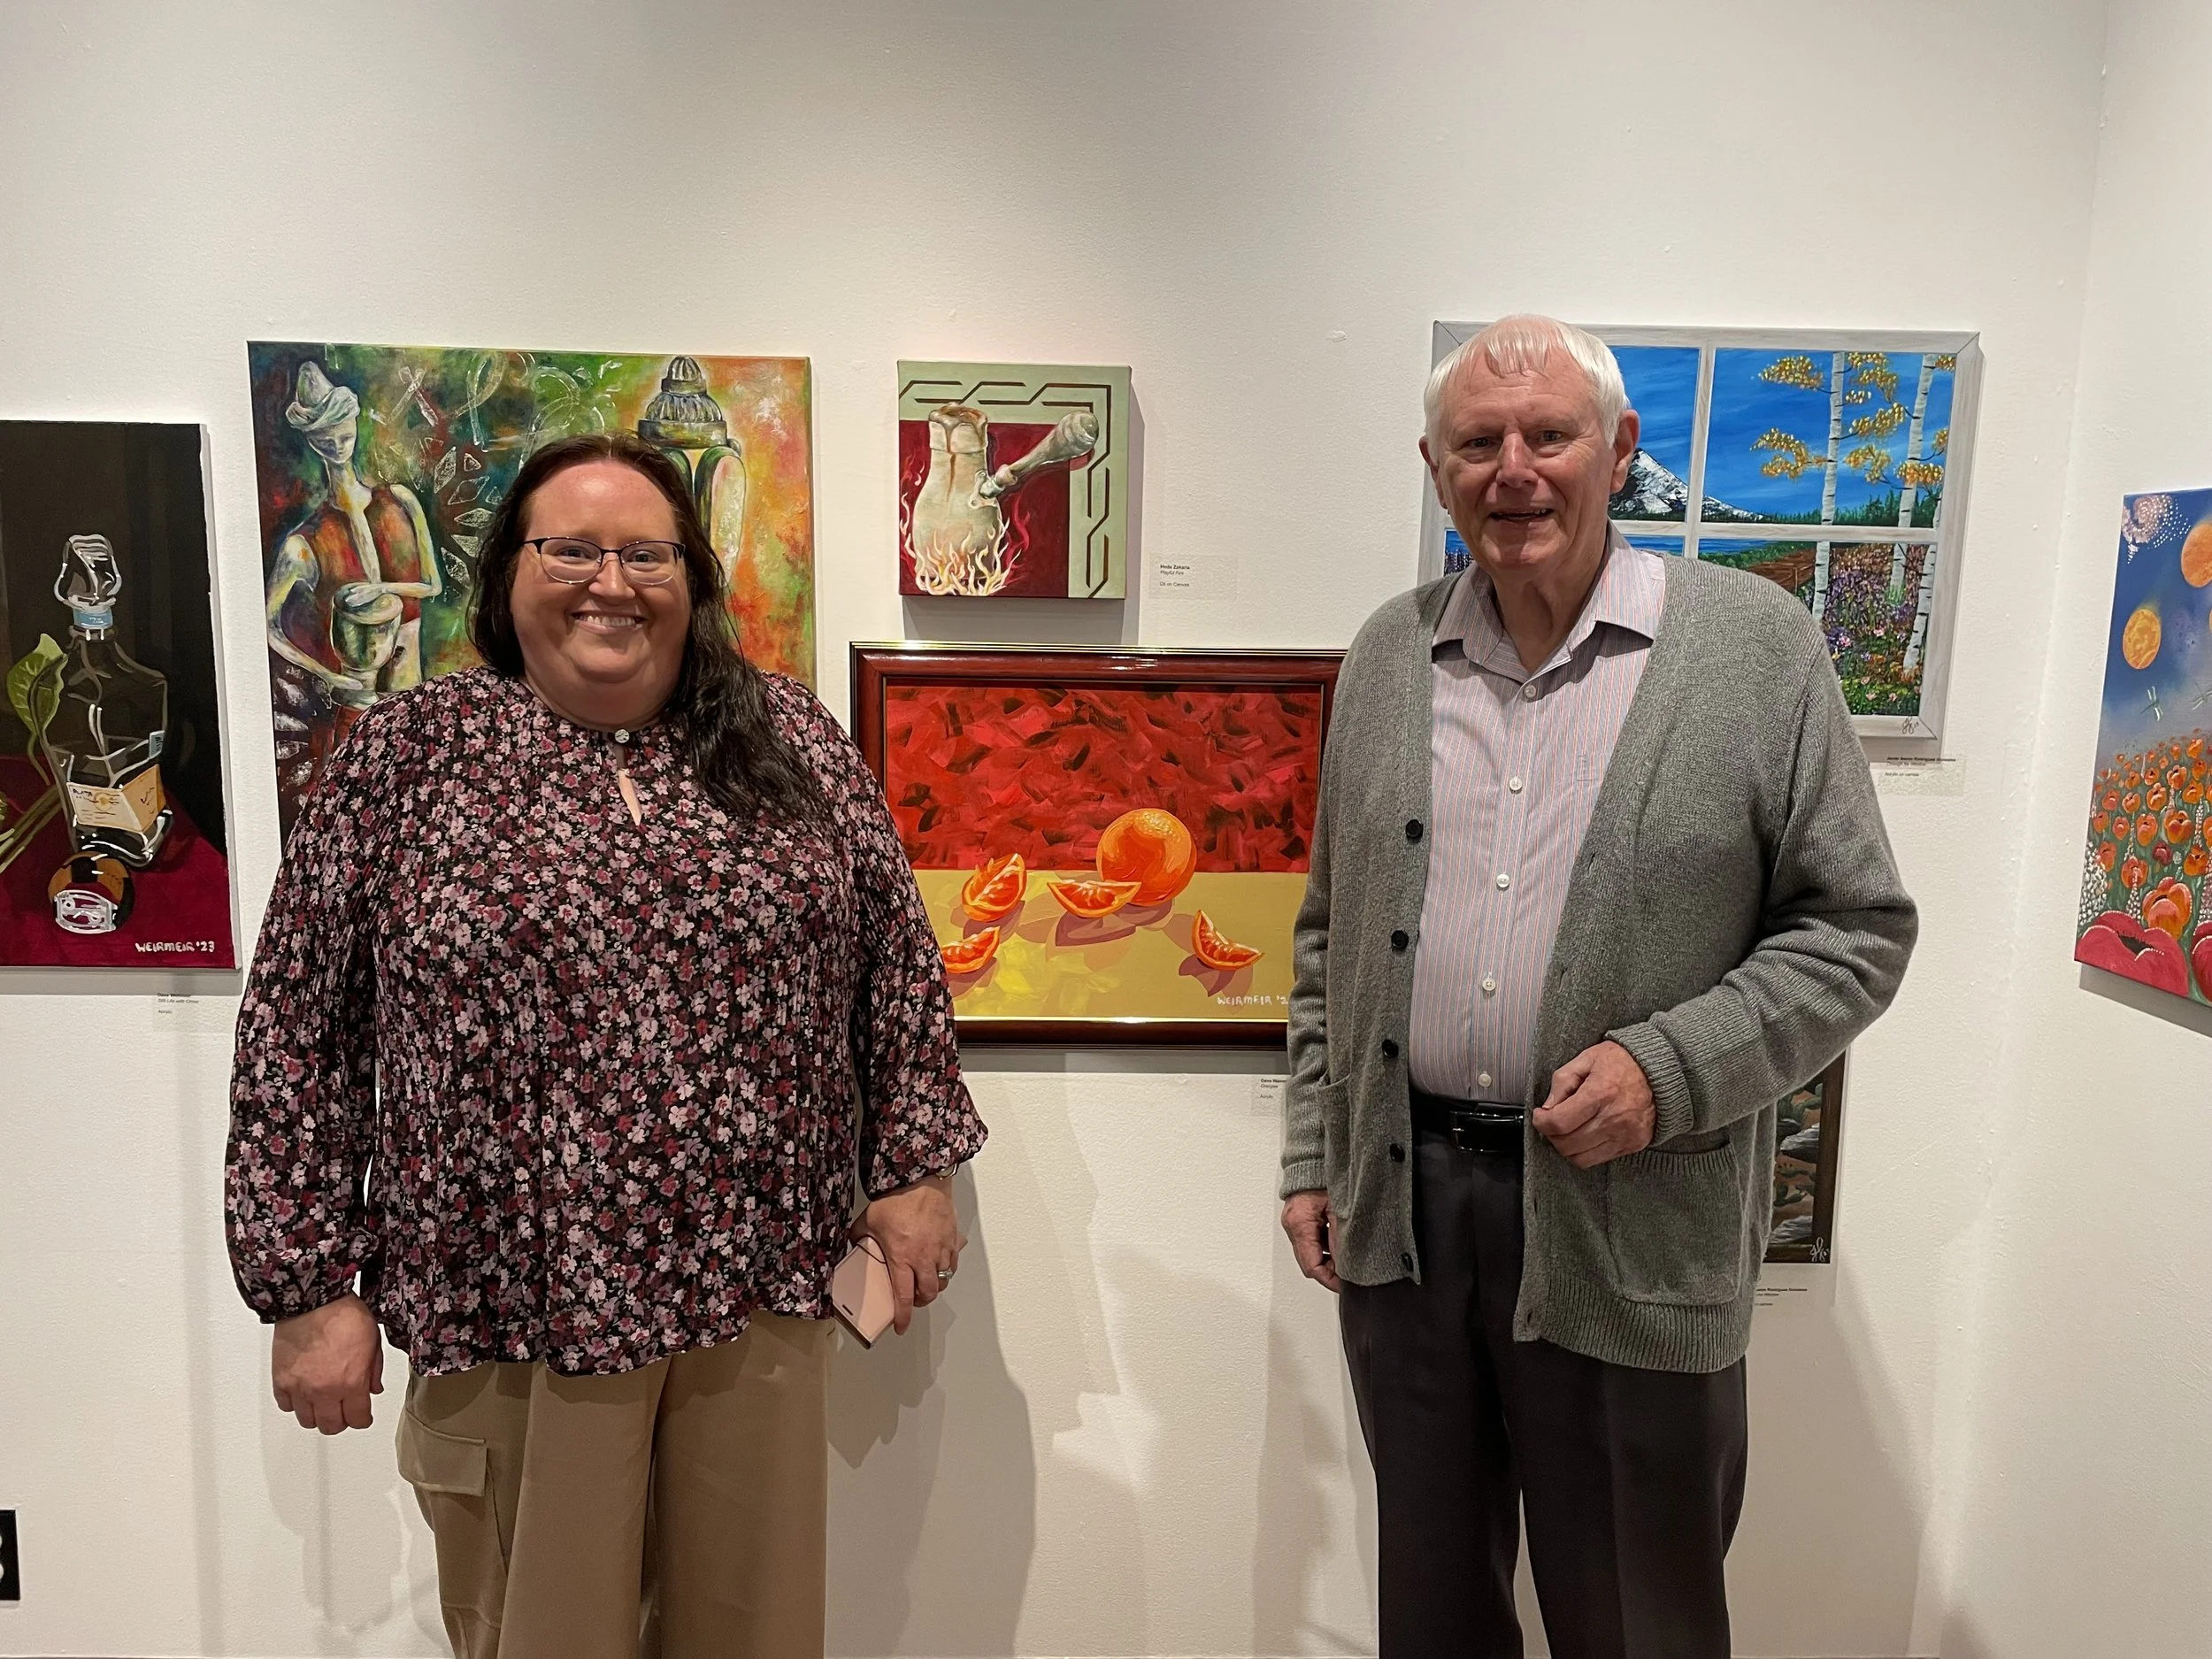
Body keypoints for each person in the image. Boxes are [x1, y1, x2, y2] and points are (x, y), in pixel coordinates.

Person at [226, 432, 986, 1659]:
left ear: (692, 577)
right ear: (507, 574)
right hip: (513, 1307)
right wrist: (307, 1285)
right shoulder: (407, 758)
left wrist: (914, 1170)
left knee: (756, 1641)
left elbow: (893, 961)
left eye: (647, 554)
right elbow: (298, 1031)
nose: (611, 583)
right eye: (571, 550)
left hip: (755, 1296)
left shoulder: (789, 742)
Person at [1279, 314, 1916, 1658]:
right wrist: (1311, 1156)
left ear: (1619, 451)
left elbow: (1856, 929)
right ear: (1434, 467)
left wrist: (1666, 1071)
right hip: (1407, 1219)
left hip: (1636, 1222)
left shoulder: (1755, 649)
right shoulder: (1388, 656)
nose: (1513, 468)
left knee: (1639, 1621)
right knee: (1432, 1617)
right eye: (1477, 441)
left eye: (1549, 435)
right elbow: (1331, 933)